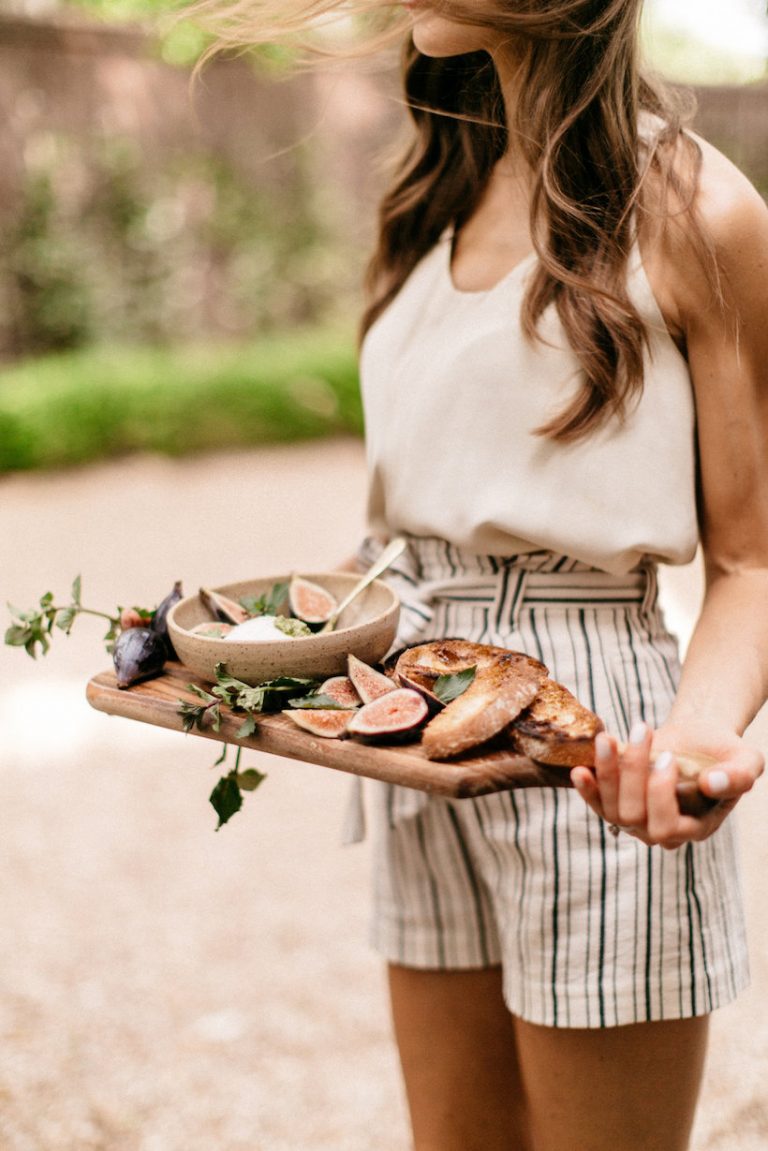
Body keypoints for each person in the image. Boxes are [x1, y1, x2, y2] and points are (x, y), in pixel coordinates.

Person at [190, 2, 768, 1148]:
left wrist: (694, 741)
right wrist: (248, 644)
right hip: (415, 719)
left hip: (592, 742)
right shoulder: (433, 194)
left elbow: (752, 555)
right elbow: (415, 517)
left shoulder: (702, 209)